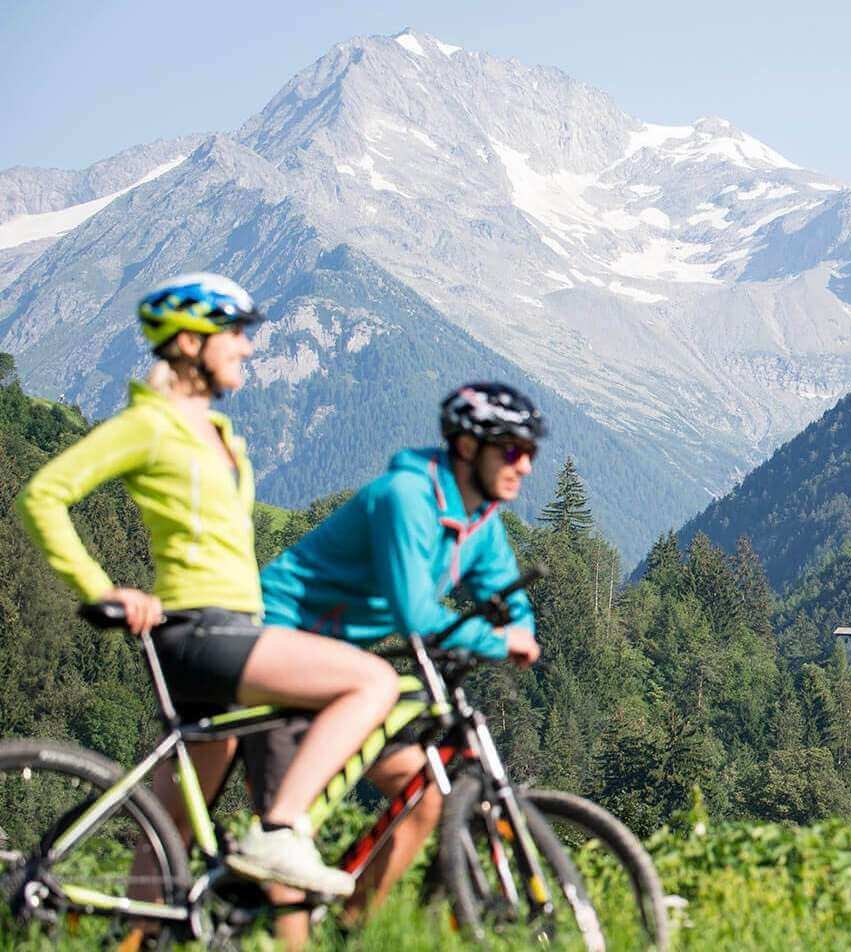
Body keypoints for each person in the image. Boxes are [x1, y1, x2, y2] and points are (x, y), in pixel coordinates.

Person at [14, 273, 399, 900]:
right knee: (371, 681)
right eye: (235, 333)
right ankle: (280, 830)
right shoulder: (150, 424)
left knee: (168, 833)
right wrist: (102, 588)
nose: (247, 347)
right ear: (190, 343)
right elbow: (44, 495)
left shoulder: (217, 433)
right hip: (202, 631)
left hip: (229, 627)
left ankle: (136, 937)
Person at [247, 382, 544, 943]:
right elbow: (414, 614)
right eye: (510, 449)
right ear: (465, 447)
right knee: (288, 842)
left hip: (342, 664)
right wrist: (497, 642)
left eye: (530, 452)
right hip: (281, 644)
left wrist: (519, 630)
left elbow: (509, 596)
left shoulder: (480, 521)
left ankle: (349, 934)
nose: (524, 465)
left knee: (424, 793)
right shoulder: (407, 497)